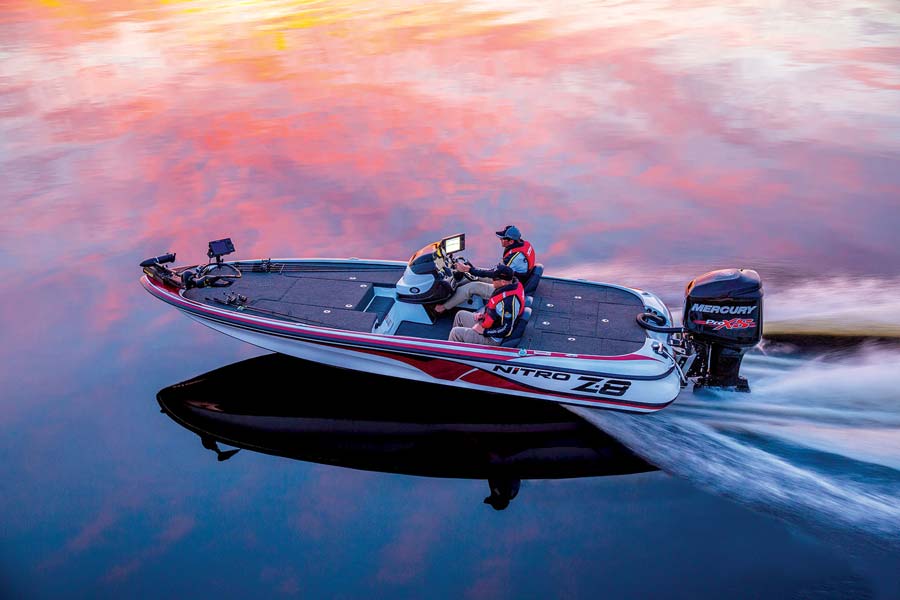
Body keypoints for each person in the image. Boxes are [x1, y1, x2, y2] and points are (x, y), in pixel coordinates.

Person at [435, 225, 536, 313]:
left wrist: (469, 270)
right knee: (475, 276)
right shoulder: (524, 245)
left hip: (508, 287)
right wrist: (472, 270)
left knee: (471, 287)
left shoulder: (514, 258)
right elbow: (497, 271)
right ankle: (454, 296)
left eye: (503, 238)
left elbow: (495, 273)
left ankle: (443, 307)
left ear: (511, 241)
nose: (500, 240)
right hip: (514, 281)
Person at [448, 265, 525, 346]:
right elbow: (495, 313)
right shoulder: (511, 282)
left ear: (503, 282)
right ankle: (460, 348)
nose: (492, 280)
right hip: (489, 325)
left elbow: (506, 329)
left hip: (492, 338)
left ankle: (449, 354)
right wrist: (484, 316)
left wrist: (484, 331)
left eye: (494, 279)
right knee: (460, 315)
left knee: (455, 333)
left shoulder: (508, 303)